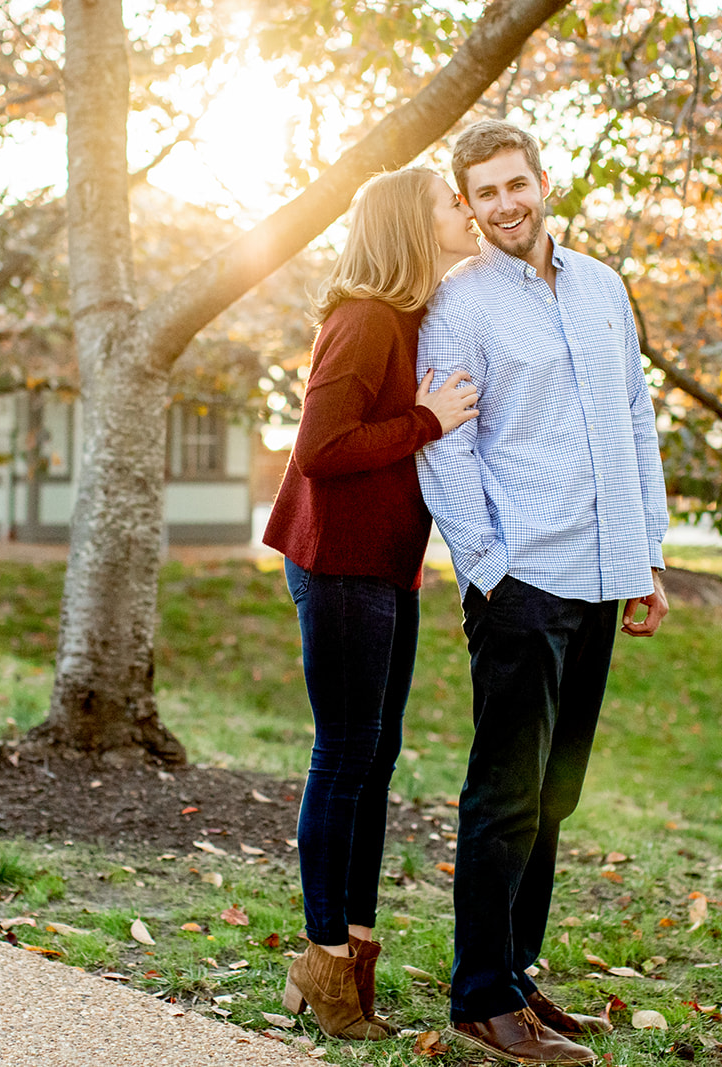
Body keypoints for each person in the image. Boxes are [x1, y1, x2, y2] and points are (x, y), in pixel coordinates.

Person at [416, 119, 671, 1066]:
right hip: (522, 581)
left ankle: (517, 973)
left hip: (604, 574)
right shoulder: (462, 305)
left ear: (543, 180)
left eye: (515, 184)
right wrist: (488, 566)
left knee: (555, 793)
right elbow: (448, 446)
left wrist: (647, 553)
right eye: (484, 193)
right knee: (504, 793)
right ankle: (480, 996)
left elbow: (635, 421)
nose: (505, 205)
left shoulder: (604, 287)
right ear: (470, 203)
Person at [262, 166, 481, 1040]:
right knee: (345, 756)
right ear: (409, 226)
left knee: (375, 757)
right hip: (341, 564)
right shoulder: (363, 320)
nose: (464, 213)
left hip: (384, 564)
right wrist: (425, 420)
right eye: (450, 204)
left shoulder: (412, 316)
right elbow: (319, 448)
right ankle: (322, 958)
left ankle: (352, 943)